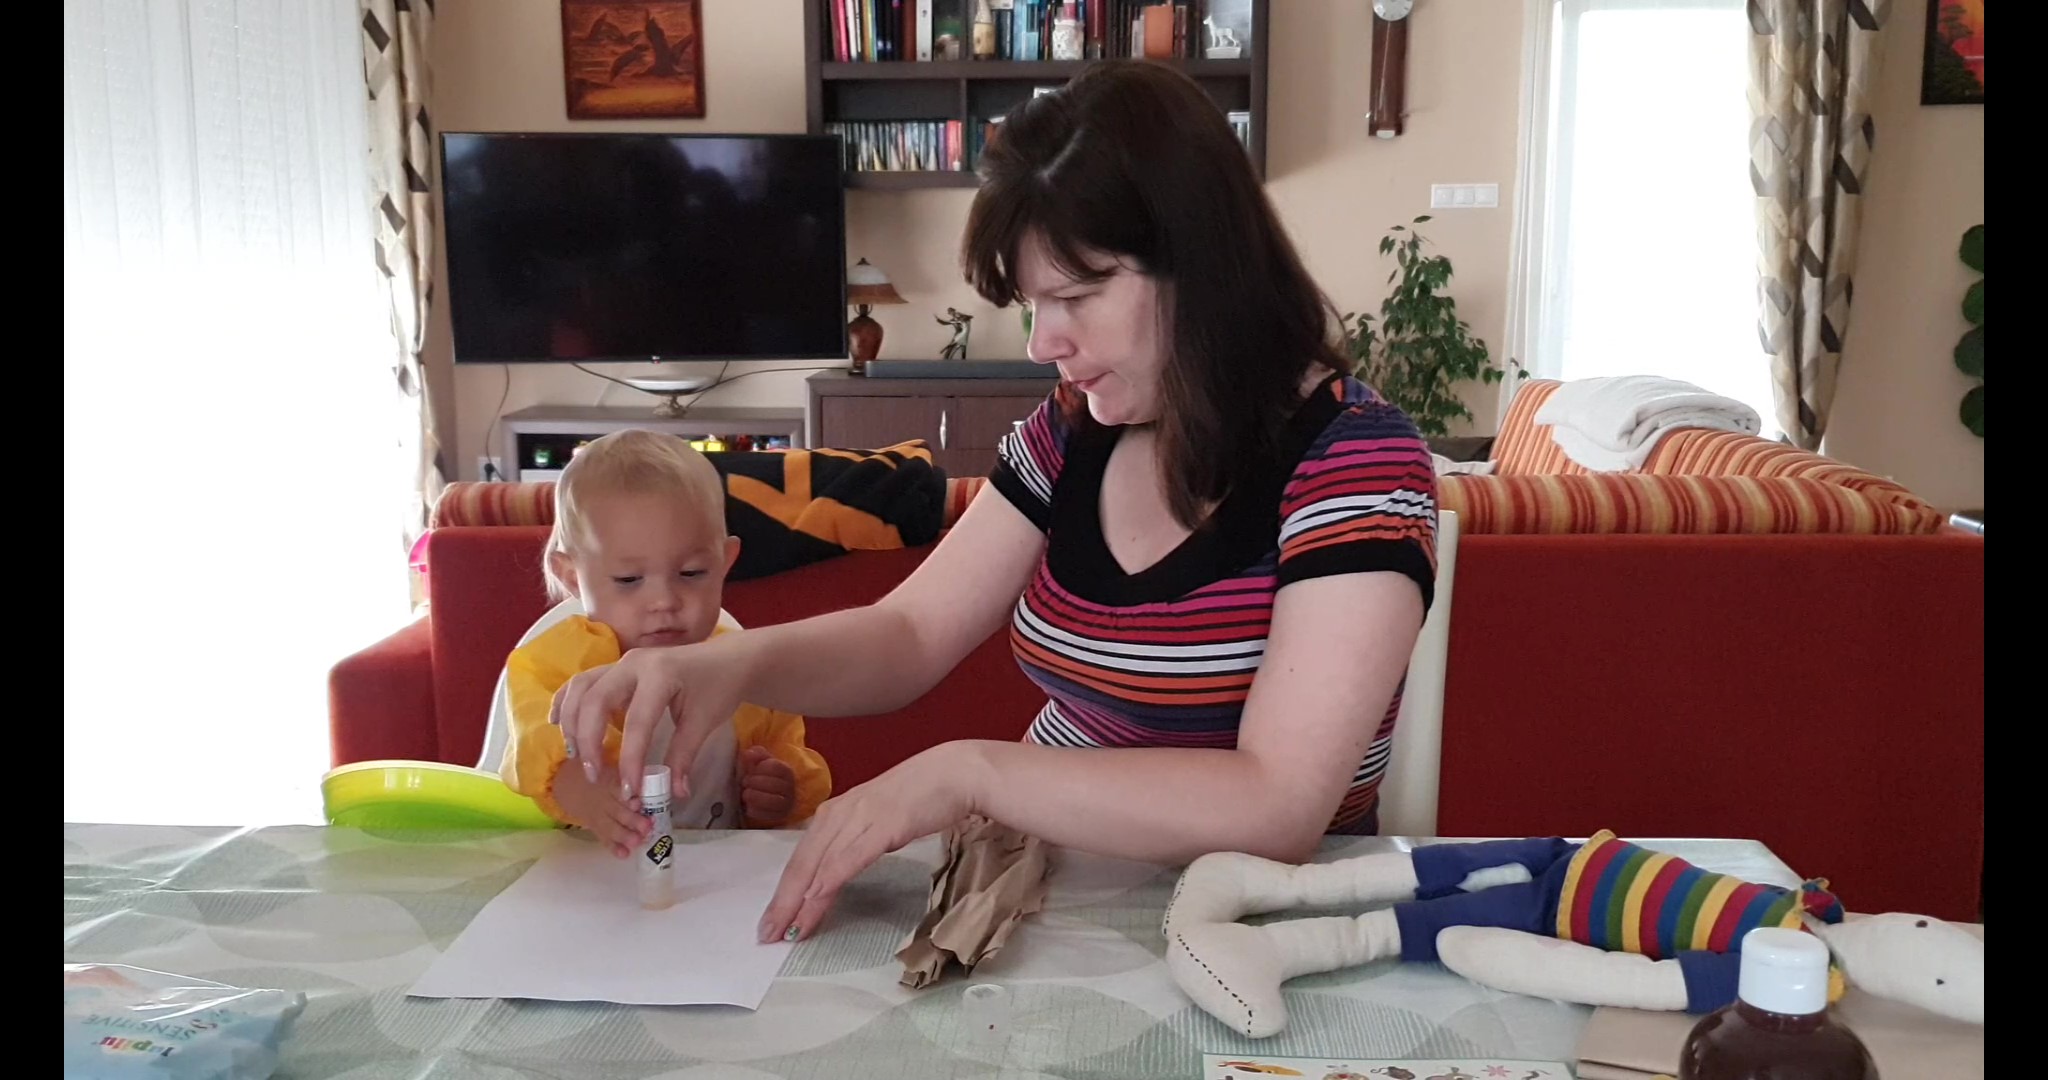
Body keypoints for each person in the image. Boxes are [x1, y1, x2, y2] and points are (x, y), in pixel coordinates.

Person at [551, 60, 1437, 942]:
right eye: (1033, 304)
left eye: (1078, 295)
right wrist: (730, 665)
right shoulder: (1071, 431)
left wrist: (970, 774)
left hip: (1262, 925)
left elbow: (1276, 805)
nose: (1045, 342)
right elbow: (909, 634)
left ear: (1205, 266)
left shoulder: (1356, 462)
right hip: (1043, 894)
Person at [494, 430, 831, 856]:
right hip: (594, 873)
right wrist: (582, 788)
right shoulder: (553, 663)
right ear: (572, 576)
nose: (664, 601)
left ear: (724, 563)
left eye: (691, 573)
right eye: (629, 579)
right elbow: (534, 750)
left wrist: (778, 792)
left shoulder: (742, 669)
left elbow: (785, 756)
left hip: (717, 873)